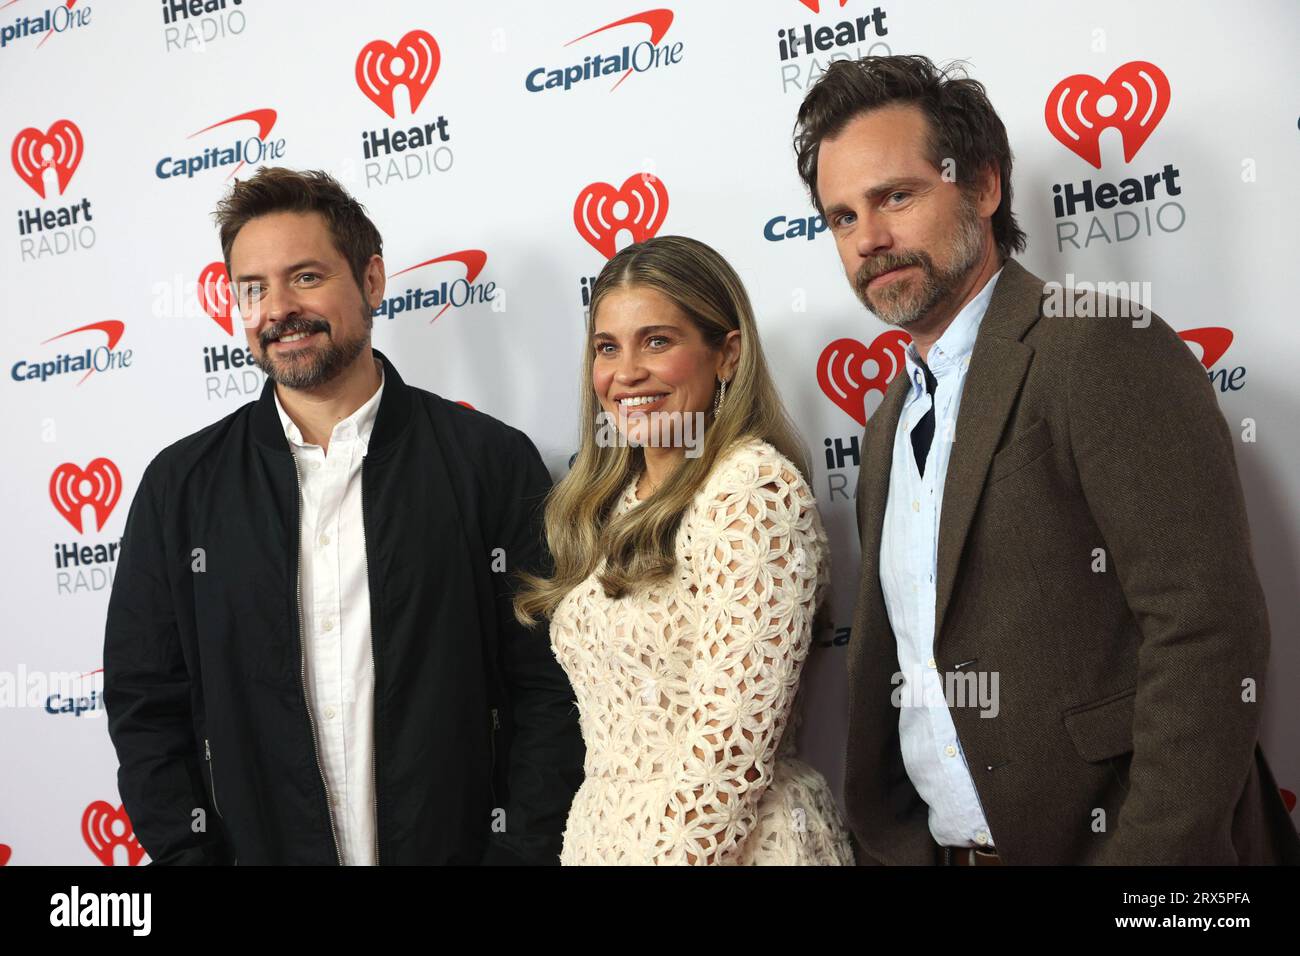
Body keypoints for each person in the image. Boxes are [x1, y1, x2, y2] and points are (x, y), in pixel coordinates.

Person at [794, 55, 1300, 865]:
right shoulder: (888, 423)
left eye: (897, 196)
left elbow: (1208, 632)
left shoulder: (1097, 348)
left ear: (985, 185)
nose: (871, 240)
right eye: (842, 217)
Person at [103, 167, 583, 865]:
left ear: (372, 280)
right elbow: (147, 709)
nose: (277, 310)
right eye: (253, 288)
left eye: (304, 277)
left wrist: (516, 856)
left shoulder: (490, 464)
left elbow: (549, 686)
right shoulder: (181, 489)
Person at [515, 235, 854, 865]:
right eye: (607, 348)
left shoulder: (750, 488)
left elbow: (729, 755)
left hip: (735, 846)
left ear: (727, 354)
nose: (626, 374)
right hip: (608, 839)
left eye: (658, 342)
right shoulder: (607, 503)